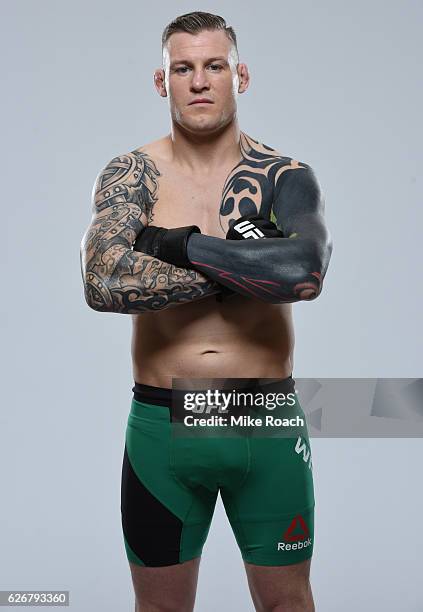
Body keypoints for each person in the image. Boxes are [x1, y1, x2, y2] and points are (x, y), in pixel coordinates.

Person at [80, 11, 332, 612]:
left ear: (239, 75)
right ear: (161, 81)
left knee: (287, 605)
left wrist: (174, 245)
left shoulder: (285, 176)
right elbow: (102, 280)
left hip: (263, 414)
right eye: (183, 68)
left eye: (213, 66)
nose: (198, 81)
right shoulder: (132, 174)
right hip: (162, 422)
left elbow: (302, 273)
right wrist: (247, 265)